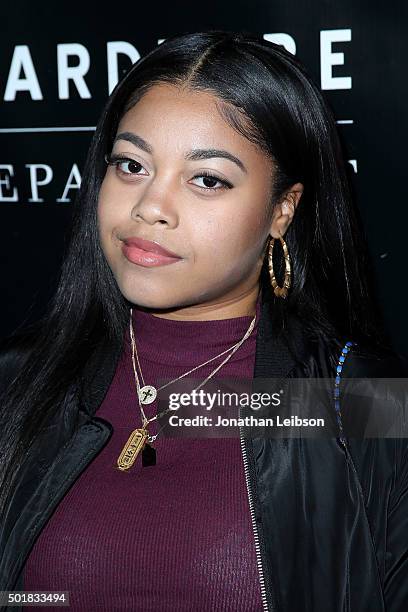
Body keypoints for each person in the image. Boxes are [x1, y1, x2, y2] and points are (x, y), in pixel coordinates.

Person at [0, 29, 407, 612]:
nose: (150, 207)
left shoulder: (361, 402)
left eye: (207, 179)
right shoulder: (17, 384)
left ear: (282, 209)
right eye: (131, 165)